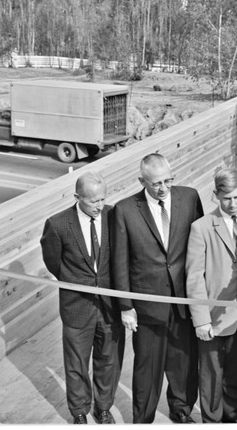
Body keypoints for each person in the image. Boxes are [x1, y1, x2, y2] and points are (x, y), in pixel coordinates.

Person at [110, 153, 204, 423]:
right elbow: (120, 262)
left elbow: (199, 249)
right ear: (142, 181)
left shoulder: (189, 197)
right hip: (147, 307)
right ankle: (143, 418)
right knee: (147, 368)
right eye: (156, 184)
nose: (164, 188)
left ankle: (181, 411)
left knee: (184, 364)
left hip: (183, 302)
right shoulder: (125, 210)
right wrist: (126, 307)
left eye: (168, 180)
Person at [40, 171, 125, 424]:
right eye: (93, 201)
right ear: (77, 197)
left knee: (109, 360)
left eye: (102, 199)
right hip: (76, 306)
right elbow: (53, 263)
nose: (100, 206)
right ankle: (79, 411)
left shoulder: (114, 216)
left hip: (110, 307)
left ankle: (103, 407)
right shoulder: (57, 224)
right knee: (76, 363)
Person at [185, 168, 237, 423]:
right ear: (216, 195)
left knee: (235, 371)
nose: (233, 203)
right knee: (211, 374)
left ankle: (232, 413)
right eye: (227, 198)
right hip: (212, 317)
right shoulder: (201, 227)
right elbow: (194, 277)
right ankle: (212, 420)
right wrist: (201, 319)